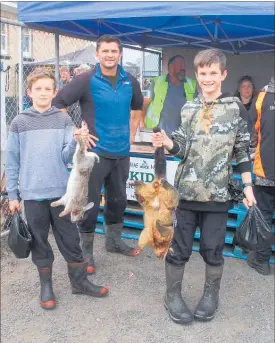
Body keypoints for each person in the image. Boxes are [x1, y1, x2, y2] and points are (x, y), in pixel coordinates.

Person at [152, 48, 256, 324]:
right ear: (196, 75)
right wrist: (167, 143)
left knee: (213, 250)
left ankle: (211, 295)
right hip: (185, 194)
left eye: (213, 73)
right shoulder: (189, 108)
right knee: (179, 250)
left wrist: (247, 187)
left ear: (223, 74)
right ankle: (172, 295)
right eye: (202, 73)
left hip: (218, 196)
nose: (207, 78)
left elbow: (243, 151)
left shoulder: (236, 109)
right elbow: (181, 148)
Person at [6, 70, 108, 310]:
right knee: (40, 241)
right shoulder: (19, 122)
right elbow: (12, 161)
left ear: (54, 92)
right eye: (38, 89)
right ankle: (46, 286)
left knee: (70, 239)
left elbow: (66, 156)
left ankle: (79, 282)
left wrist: (76, 140)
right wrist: (13, 195)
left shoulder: (63, 120)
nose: (43, 93)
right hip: (32, 195)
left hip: (63, 194)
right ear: (29, 92)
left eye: (48, 89)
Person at [52, 35, 144, 274]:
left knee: (118, 201)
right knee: (88, 204)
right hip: (93, 155)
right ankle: (87, 251)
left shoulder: (130, 81)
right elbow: (58, 102)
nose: (110, 55)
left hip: (121, 154)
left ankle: (113, 242)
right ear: (97, 54)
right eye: (105, 51)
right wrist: (75, 130)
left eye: (114, 51)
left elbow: (137, 108)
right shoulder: (86, 80)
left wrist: (132, 134)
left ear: (120, 53)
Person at [247, 75, 275, 275]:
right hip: (266, 167)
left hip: (266, 167)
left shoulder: (263, 97)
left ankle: (262, 261)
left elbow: (256, 130)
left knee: (264, 216)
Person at [142, 55, 197, 137]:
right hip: (158, 134)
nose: (183, 68)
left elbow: (198, 108)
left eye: (184, 65)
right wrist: (142, 123)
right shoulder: (157, 82)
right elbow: (144, 103)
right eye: (180, 65)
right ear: (171, 67)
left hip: (182, 136)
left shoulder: (191, 84)